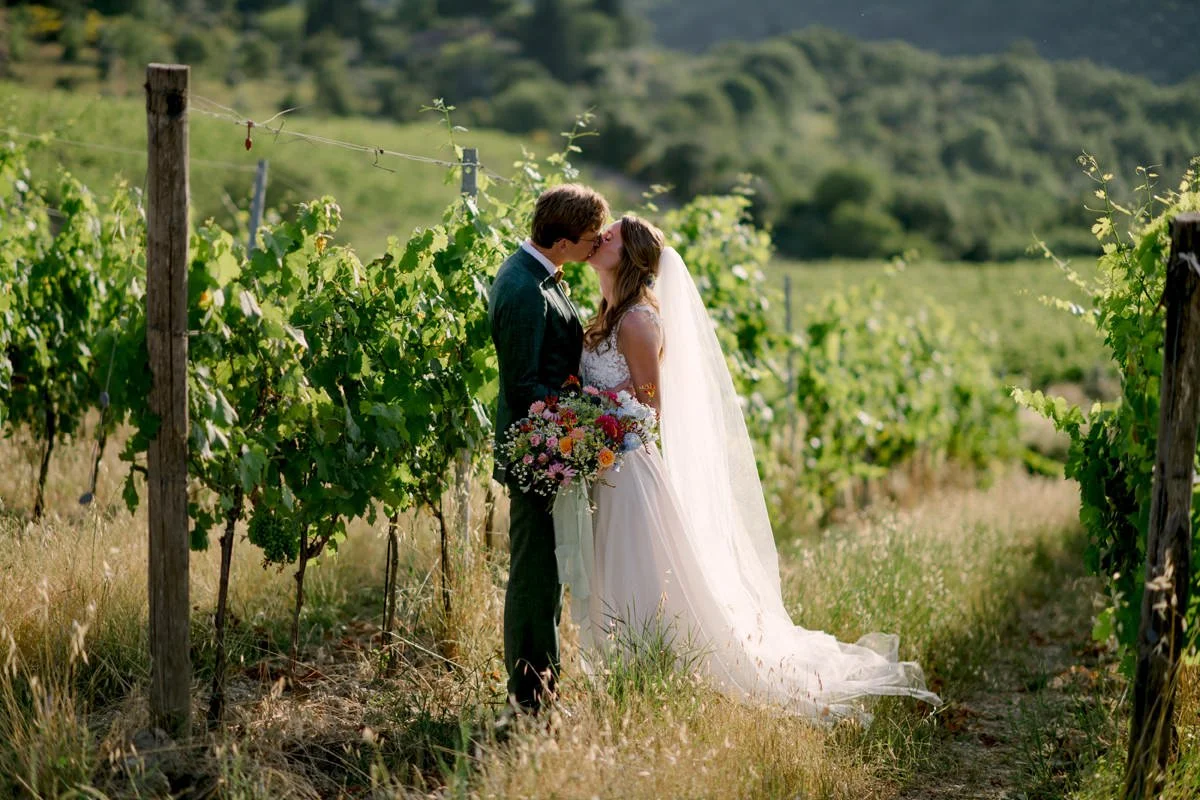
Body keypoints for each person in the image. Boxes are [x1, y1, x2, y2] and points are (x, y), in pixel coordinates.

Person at [578, 214, 941, 723]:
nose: (600, 239)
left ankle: (649, 677)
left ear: (631, 256)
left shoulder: (637, 321)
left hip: (629, 468)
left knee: (636, 574)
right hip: (604, 463)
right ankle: (620, 675)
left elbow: (650, 408)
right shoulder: (608, 315)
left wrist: (592, 417)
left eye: (610, 236)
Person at [488, 183, 609, 714]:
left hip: (548, 449)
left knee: (548, 573)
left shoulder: (540, 274)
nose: (596, 244)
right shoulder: (521, 287)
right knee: (535, 576)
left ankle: (544, 686)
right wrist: (579, 422)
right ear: (563, 240)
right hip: (536, 453)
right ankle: (529, 699)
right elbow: (522, 387)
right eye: (590, 237)